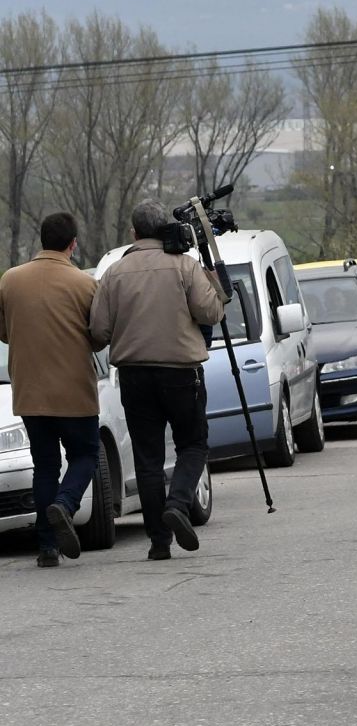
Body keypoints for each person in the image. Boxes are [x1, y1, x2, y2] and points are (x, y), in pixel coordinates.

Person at [89, 200, 227, 561]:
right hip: (181, 371)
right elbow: (211, 312)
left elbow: (98, 332)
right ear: (165, 227)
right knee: (193, 444)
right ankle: (178, 504)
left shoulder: (114, 273)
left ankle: (159, 542)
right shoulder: (184, 265)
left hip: (134, 375)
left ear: (133, 233)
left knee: (147, 457)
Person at [0, 213, 108, 567]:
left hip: (29, 392)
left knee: (44, 465)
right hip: (75, 391)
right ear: (72, 244)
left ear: (42, 240)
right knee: (85, 454)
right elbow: (98, 337)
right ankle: (65, 504)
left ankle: (47, 547)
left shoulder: (10, 280)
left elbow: (4, 331)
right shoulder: (85, 284)